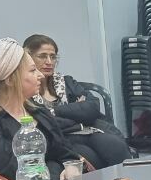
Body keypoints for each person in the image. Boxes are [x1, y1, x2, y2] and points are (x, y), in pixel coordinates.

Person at [0, 38, 94, 180]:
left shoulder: (38, 112)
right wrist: (55, 168)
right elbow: (15, 172)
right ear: (9, 79)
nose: (40, 75)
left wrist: (71, 167)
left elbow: (66, 153)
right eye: (32, 70)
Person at [23, 34, 130, 169]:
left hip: (87, 130)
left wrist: (53, 111)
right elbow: (44, 123)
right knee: (91, 159)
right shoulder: (27, 89)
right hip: (60, 140)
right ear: (29, 58)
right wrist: (76, 112)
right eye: (42, 56)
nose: (49, 61)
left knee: (116, 147)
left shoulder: (66, 82)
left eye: (53, 57)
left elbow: (92, 108)